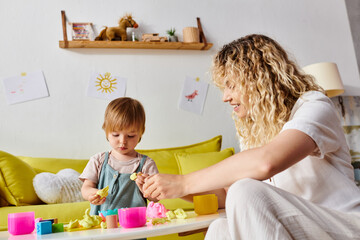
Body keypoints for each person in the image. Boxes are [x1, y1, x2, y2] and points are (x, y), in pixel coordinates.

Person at [143, 34, 360, 239]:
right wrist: (170, 189)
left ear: (259, 79)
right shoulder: (256, 131)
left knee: (245, 190)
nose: (225, 97)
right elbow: (227, 195)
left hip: (344, 226)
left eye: (231, 85)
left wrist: (184, 182)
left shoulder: (314, 106)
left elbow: (267, 162)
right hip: (298, 228)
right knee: (220, 228)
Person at [80, 97, 158, 215]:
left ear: (141, 132)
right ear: (106, 132)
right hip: (102, 227)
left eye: (131, 136)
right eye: (116, 135)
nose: (123, 141)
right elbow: (85, 188)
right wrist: (92, 194)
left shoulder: (146, 164)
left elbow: (156, 198)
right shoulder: (98, 160)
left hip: (135, 228)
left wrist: (146, 188)